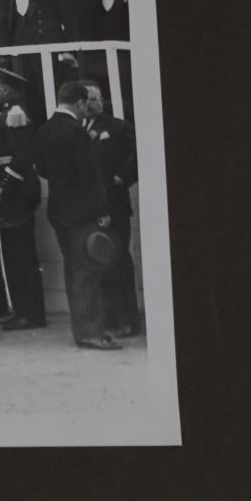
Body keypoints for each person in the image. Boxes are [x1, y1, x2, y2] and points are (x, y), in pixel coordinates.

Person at [34, 81, 120, 349]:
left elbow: (42, 169)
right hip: (82, 212)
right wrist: (102, 210)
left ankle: (83, 329)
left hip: (58, 208)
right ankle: (91, 332)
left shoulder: (45, 129)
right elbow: (90, 176)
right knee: (87, 271)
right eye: (86, 104)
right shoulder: (77, 132)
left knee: (74, 269)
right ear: (80, 103)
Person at [0, 85, 45, 330]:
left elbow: (23, 157)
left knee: (21, 256)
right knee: (13, 255)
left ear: (7, 89)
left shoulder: (15, 114)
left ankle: (31, 313)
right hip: (10, 193)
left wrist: (1, 183)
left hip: (16, 193)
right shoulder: (4, 114)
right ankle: (23, 310)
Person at [85, 83, 141, 336]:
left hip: (114, 204)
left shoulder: (117, 127)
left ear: (102, 100)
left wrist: (123, 178)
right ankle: (107, 317)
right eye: (85, 99)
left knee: (118, 260)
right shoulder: (77, 129)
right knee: (97, 261)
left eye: (93, 98)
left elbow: (139, 154)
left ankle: (128, 319)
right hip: (89, 206)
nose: (89, 104)